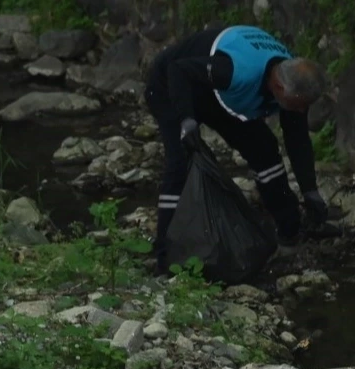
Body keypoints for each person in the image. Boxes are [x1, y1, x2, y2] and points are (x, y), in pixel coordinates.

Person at [143, 23, 336, 273]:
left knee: (265, 150)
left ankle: (289, 231)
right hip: (171, 85)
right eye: (298, 105)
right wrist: (186, 121)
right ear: (279, 88)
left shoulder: (293, 81)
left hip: (220, 95)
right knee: (181, 162)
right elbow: (177, 71)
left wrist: (310, 191)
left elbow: (297, 141)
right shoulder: (236, 71)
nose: (301, 112)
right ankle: (164, 257)